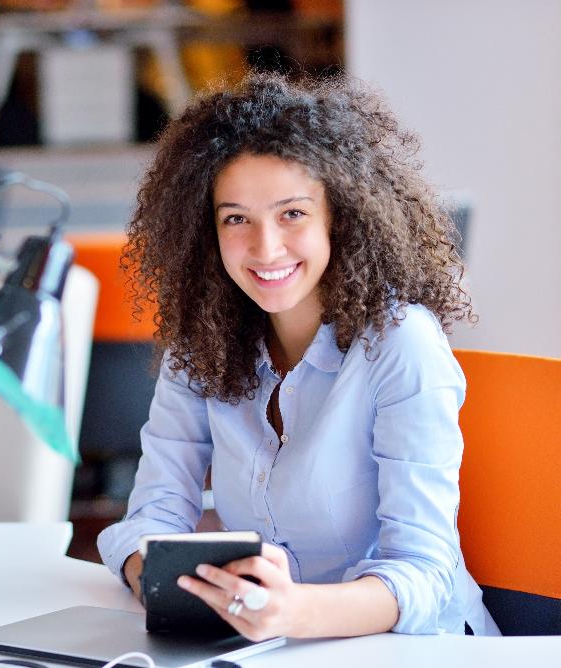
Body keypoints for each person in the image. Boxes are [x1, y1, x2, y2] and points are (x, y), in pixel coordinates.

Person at [97, 73, 498, 640]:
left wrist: (291, 613)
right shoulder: (202, 344)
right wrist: (164, 586)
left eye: (292, 214)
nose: (265, 248)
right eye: (236, 218)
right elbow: (151, 518)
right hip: (272, 644)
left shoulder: (400, 342)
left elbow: (424, 574)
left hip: (410, 647)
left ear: (340, 215)